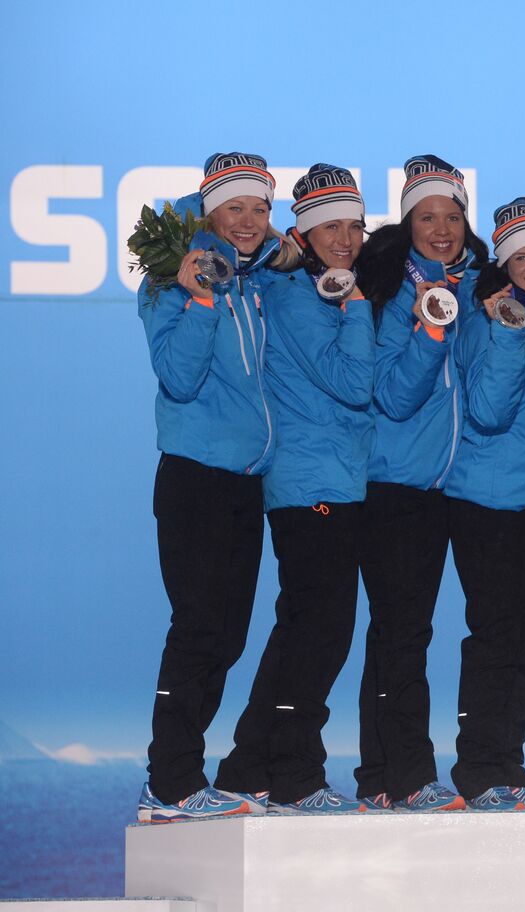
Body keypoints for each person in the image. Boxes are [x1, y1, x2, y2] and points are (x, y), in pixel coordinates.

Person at [136, 152, 299, 821]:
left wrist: (284, 261)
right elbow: (175, 375)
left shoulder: (253, 277)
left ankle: (181, 781)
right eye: (236, 207)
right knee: (200, 629)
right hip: (194, 478)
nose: (251, 220)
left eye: (261, 208)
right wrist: (201, 294)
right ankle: (168, 783)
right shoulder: (171, 279)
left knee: (226, 635)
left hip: (243, 482)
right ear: (208, 212)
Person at [212, 164, 374, 813]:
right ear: (303, 233)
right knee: (320, 633)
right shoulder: (295, 295)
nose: (345, 238)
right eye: (329, 226)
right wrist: (358, 310)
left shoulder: (311, 287)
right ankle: (297, 773)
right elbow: (353, 383)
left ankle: (248, 764)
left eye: (354, 225)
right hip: (311, 486)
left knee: (305, 628)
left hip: (328, 481)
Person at [351, 155, 489, 812]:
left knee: (394, 632)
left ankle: (377, 776)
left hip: (436, 487)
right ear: (407, 224)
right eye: (427, 216)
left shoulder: (467, 283)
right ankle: (410, 776)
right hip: (393, 485)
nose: (441, 228)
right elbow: (396, 395)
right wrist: (434, 325)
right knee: (404, 633)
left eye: (452, 216)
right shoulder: (389, 288)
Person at [442, 197, 525, 810]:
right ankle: (479, 770)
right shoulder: (485, 315)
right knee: (496, 637)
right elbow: (488, 412)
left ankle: (507, 767)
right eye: (521, 255)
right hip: (484, 500)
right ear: (502, 261)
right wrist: (510, 331)